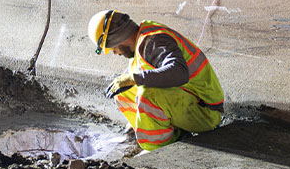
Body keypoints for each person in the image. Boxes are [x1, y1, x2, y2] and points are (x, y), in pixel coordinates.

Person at [87, 10, 225, 151]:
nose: (115, 53)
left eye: (112, 48)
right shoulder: (141, 43)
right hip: (189, 101)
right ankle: (161, 131)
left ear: (116, 38)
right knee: (121, 89)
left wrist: (135, 78)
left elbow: (179, 72)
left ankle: (160, 147)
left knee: (147, 93)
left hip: (206, 112)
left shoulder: (154, 41)